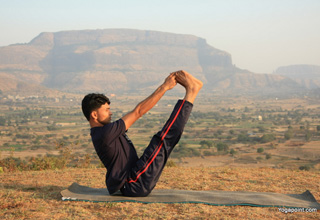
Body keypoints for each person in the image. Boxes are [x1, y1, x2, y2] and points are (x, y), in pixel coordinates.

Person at [81, 70, 202, 197]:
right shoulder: (105, 133)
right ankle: (192, 92)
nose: (110, 113)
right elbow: (138, 111)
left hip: (133, 179)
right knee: (164, 139)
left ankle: (192, 92)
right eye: (106, 110)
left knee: (163, 140)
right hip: (133, 183)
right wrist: (164, 87)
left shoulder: (104, 132)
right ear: (94, 115)